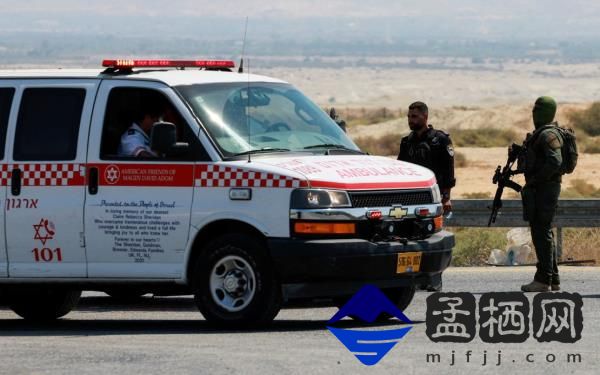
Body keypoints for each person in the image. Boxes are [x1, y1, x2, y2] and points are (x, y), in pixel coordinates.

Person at [520, 96, 563, 292]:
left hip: (545, 189)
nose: (534, 113)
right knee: (543, 232)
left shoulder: (548, 135)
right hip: (543, 188)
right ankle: (552, 279)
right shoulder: (541, 134)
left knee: (540, 232)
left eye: (538, 109)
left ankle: (543, 280)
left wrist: (536, 180)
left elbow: (555, 161)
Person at [398, 101, 455, 214]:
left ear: (425, 117)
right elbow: (400, 169)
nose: (410, 120)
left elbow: (448, 170)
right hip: (410, 196)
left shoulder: (440, 140)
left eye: (414, 116)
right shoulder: (406, 142)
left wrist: (447, 197)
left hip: (433, 195)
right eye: (408, 116)